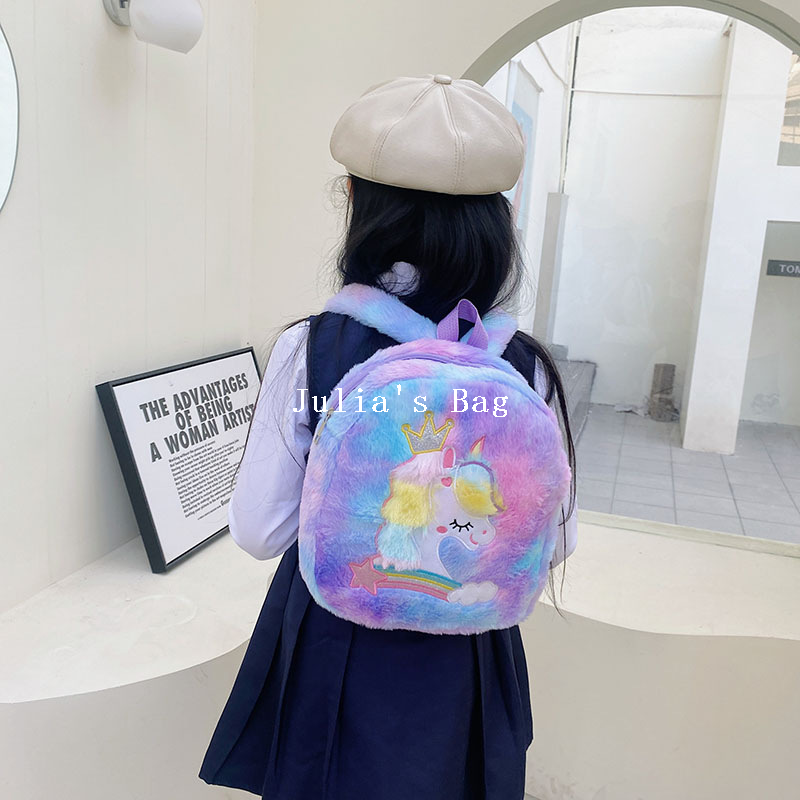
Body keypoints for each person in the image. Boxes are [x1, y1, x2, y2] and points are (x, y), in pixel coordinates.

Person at [198, 73, 578, 800]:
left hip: (333, 649)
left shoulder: (313, 350)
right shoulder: (524, 368)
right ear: (500, 220)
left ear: (354, 201)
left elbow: (258, 530)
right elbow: (551, 543)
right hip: (468, 658)